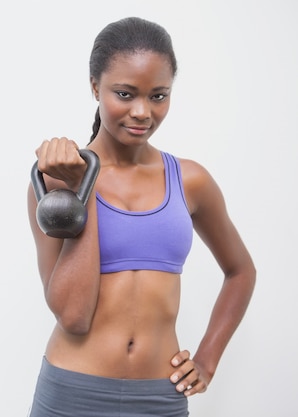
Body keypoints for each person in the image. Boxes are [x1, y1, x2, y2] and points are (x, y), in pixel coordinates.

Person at [26, 16, 256, 417]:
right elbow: (73, 316)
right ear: (95, 86)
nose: (142, 112)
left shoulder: (191, 180)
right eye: (125, 93)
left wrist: (206, 360)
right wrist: (86, 186)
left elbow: (241, 271)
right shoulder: (56, 182)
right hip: (72, 393)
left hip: (159, 399)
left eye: (158, 96)